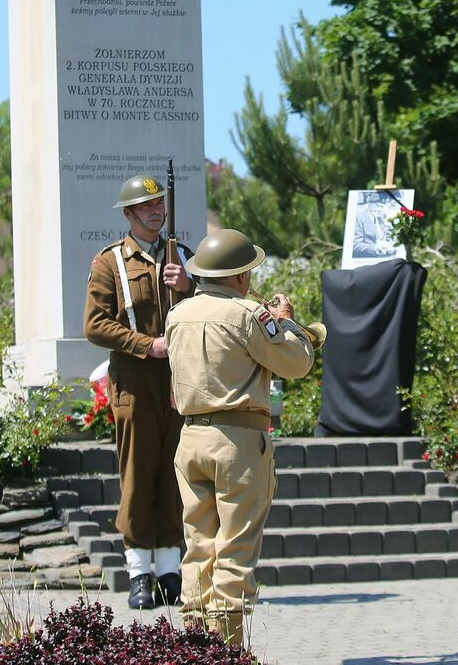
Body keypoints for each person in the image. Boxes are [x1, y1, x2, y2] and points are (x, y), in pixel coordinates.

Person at [165, 228, 315, 646]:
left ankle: (193, 647)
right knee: (235, 548)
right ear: (241, 276)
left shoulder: (177, 315)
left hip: (191, 437)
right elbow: (296, 363)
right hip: (238, 440)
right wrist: (286, 325)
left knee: (198, 546)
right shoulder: (249, 313)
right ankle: (227, 651)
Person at [84, 174, 192, 609]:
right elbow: (95, 324)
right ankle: (138, 574)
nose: (155, 210)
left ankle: (169, 571)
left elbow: (209, 306)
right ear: (128, 214)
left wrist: (189, 286)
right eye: (145, 206)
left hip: (177, 383)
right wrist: (149, 345)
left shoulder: (182, 256)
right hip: (134, 382)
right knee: (137, 474)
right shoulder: (110, 262)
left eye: (158, 203)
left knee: (173, 475)